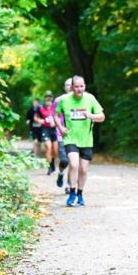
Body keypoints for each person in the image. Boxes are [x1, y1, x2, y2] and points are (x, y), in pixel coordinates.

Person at [57, 75, 105, 206]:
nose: (79, 89)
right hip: (70, 138)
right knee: (73, 164)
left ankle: (80, 194)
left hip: (86, 140)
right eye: (77, 86)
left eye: (82, 86)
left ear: (85, 86)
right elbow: (56, 115)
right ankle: (72, 193)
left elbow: (102, 117)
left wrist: (91, 116)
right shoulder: (64, 100)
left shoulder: (90, 98)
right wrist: (60, 127)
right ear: (72, 87)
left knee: (83, 169)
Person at [53, 79, 75, 191]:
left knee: (73, 162)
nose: (69, 87)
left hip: (75, 135)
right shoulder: (58, 100)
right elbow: (54, 115)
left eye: (71, 85)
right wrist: (60, 127)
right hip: (61, 134)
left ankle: (69, 185)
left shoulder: (79, 100)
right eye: (67, 85)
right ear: (64, 87)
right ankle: (61, 173)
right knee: (65, 161)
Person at [37, 92, 59, 175]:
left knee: (55, 150)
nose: (48, 98)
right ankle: (49, 167)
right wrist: (40, 120)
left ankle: (52, 163)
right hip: (45, 129)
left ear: (52, 98)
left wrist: (55, 122)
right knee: (48, 147)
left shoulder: (56, 107)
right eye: (46, 97)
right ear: (45, 98)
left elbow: (60, 117)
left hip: (54, 130)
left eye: (50, 97)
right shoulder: (41, 108)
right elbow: (36, 117)